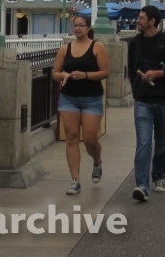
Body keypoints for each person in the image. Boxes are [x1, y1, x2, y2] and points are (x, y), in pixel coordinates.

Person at [128, 5, 165, 202]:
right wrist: (137, 88)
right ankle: (141, 186)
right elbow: (131, 69)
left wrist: (158, 73)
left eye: (141, 18)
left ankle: (159, 176)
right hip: (143, 100)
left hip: (164, 99)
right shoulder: (134, 43)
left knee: (162, 141)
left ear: (152, 21)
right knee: (143, 142)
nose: (138, 20)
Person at [52, 14, 110, 195]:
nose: (77, 29)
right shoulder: (65, 49)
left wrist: (85, 75)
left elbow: (105, 72)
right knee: (71, 137)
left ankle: (97, 161)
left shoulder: (97, 47)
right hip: (69, 97)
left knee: (90, 139)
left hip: (91, 98)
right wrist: (63, 76)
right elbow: (55, 72)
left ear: (88, 27)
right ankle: (75, 180)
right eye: (74, 26)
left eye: (81, 25)